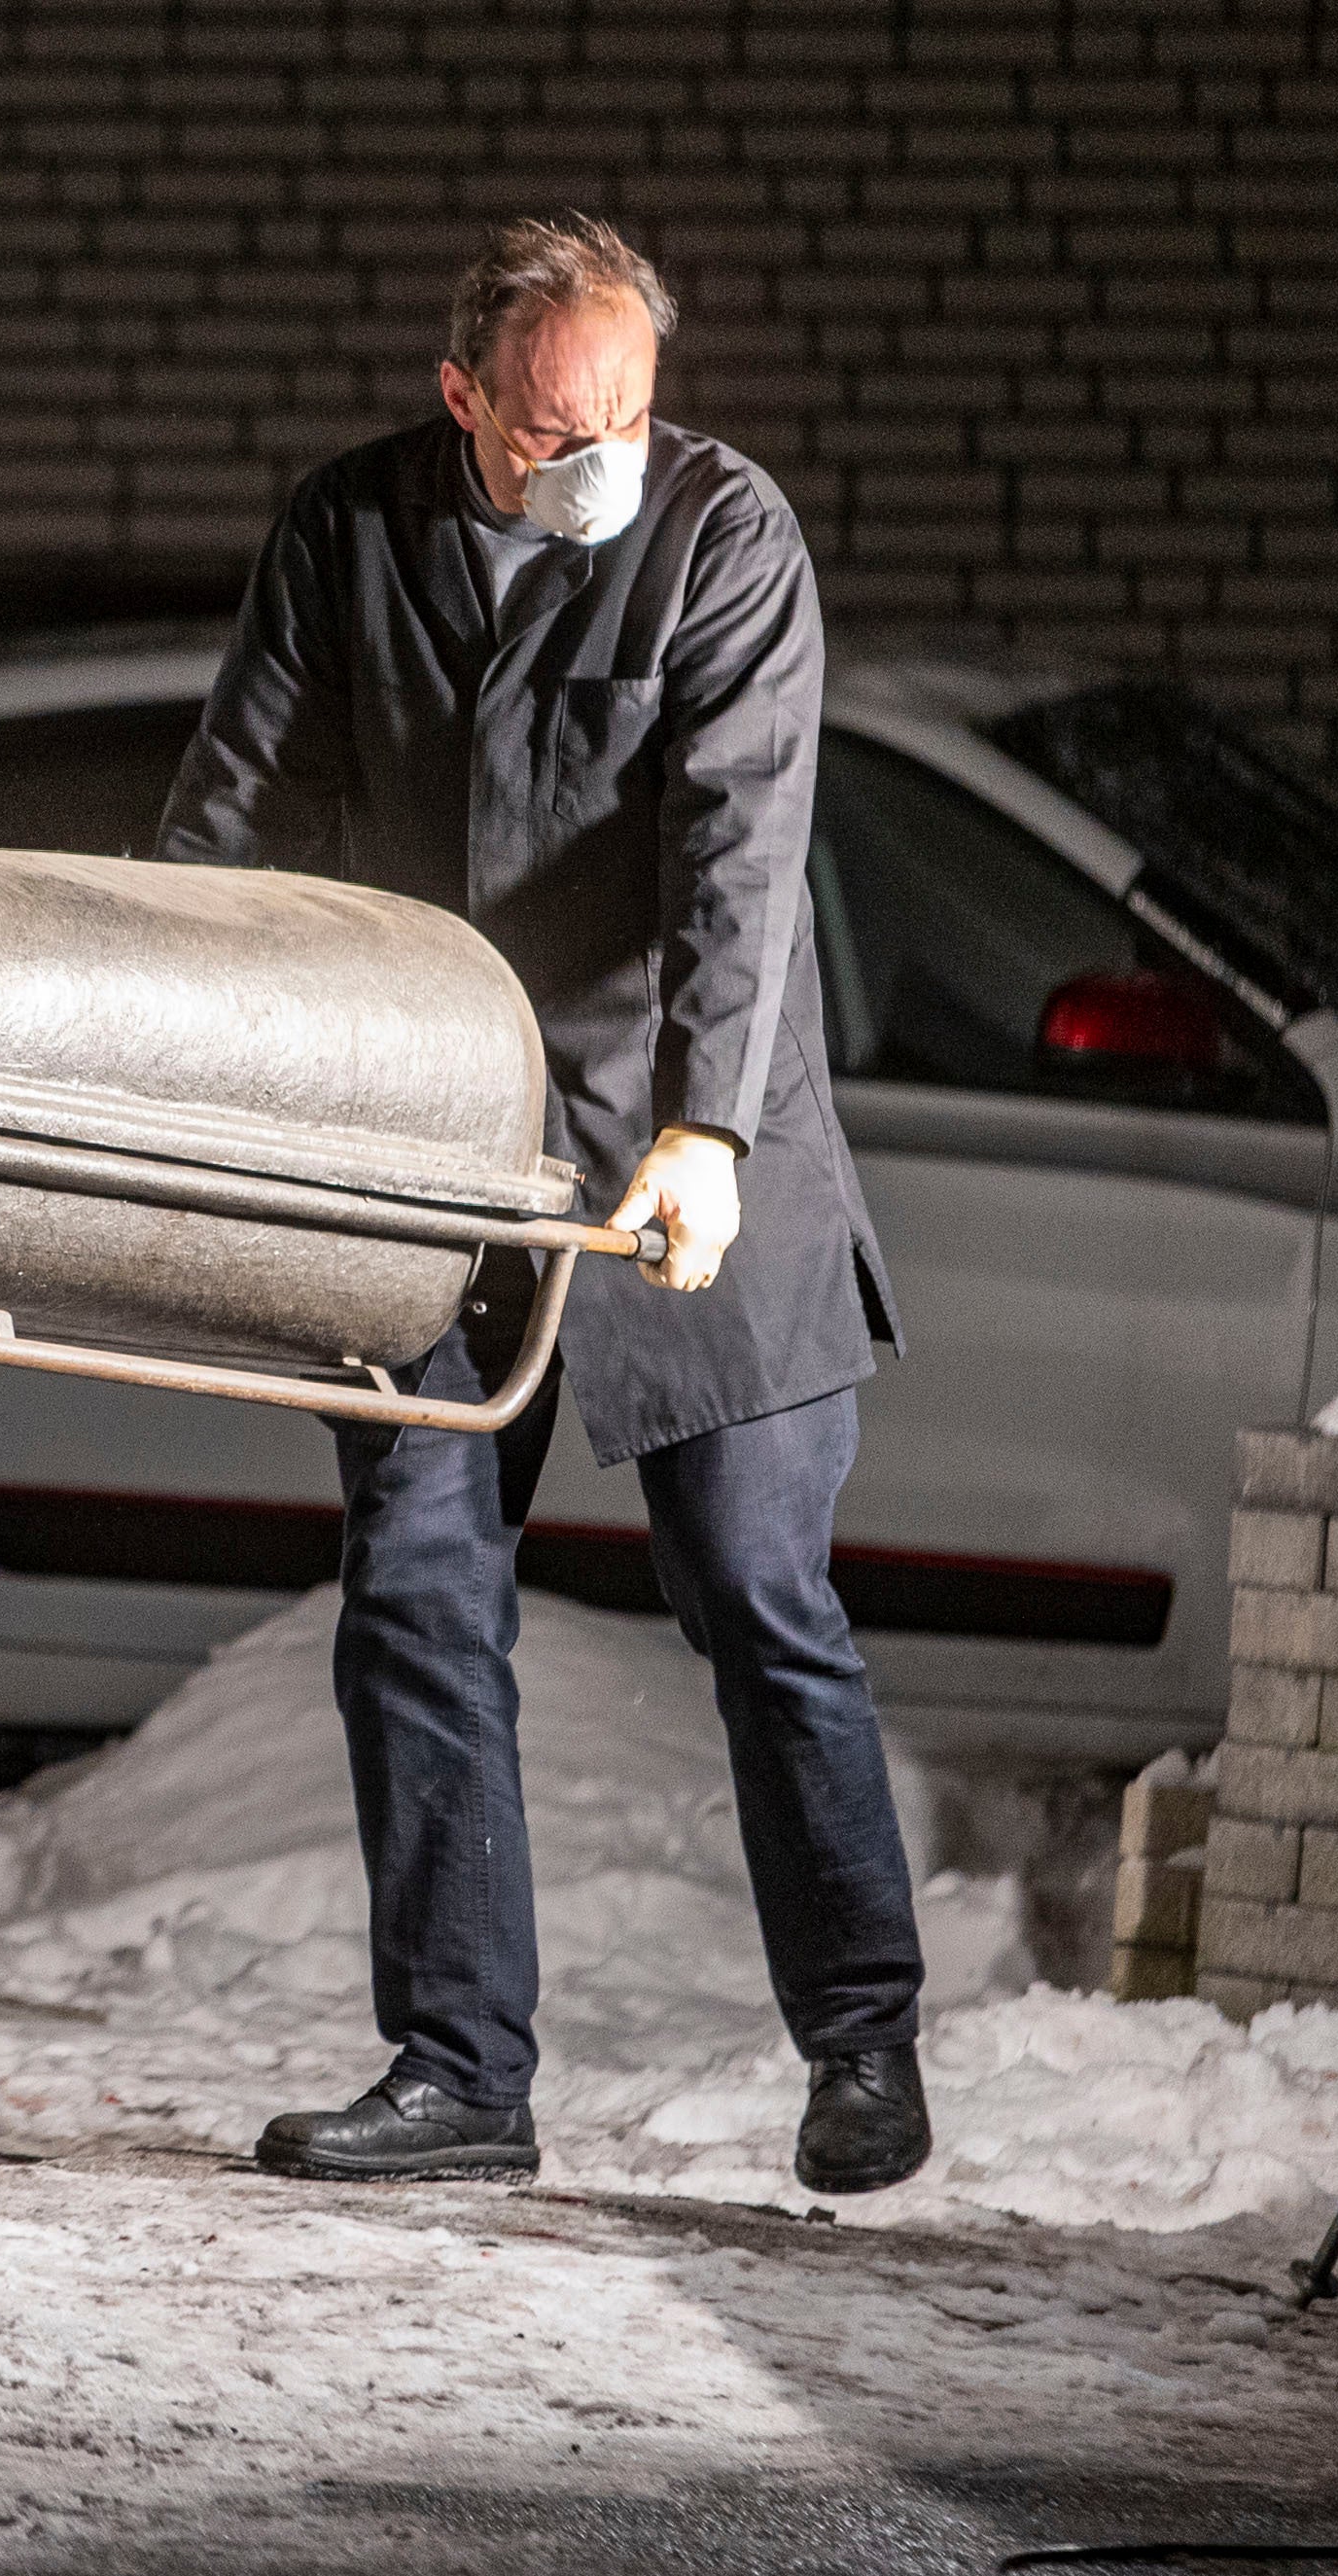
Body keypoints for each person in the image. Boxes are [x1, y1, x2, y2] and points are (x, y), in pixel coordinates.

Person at [156, 216, 932, 2198]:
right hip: (438, 1137)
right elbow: (231, 819)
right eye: (545, 427)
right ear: (461, 402)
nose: (592, 456)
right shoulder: (350, 533)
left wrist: (713, 1131)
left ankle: (860, 2043)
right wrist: (164, 1046)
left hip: (691, 1132)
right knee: (414, 1593)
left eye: (626, 418)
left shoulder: (723, 538)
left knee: (760, 1595)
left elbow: (739, 848)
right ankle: (457, 2075)